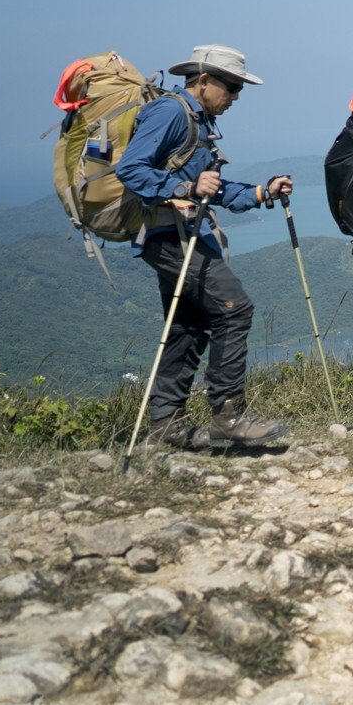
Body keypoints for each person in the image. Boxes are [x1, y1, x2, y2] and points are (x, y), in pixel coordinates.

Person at [115, 44, 292, 451]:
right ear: (205, 80)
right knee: (235, 308)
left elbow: (212, 186)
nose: (234, 97)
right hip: (168, 236)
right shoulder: (171, 112)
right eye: (231, 87)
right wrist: (183, 187)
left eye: (239, 90)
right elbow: (131, 169)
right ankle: (229, 415)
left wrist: (263, 192)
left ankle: (167, 426)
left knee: (188, 327)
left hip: (181, 233)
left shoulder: (199, 121)